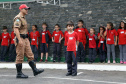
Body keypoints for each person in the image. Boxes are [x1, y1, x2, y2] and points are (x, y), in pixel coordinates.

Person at [13, 4, 44, 78]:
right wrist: (19, 40)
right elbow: (16, 29)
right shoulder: (18, 18)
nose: (27, 10)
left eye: (27, 9)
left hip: (25, 39)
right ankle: (19, 73)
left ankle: (35, 70)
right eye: (25, 9)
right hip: (20, 38)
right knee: (20, 56)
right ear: (21, 9)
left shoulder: (23, 18)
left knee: (30, 55)